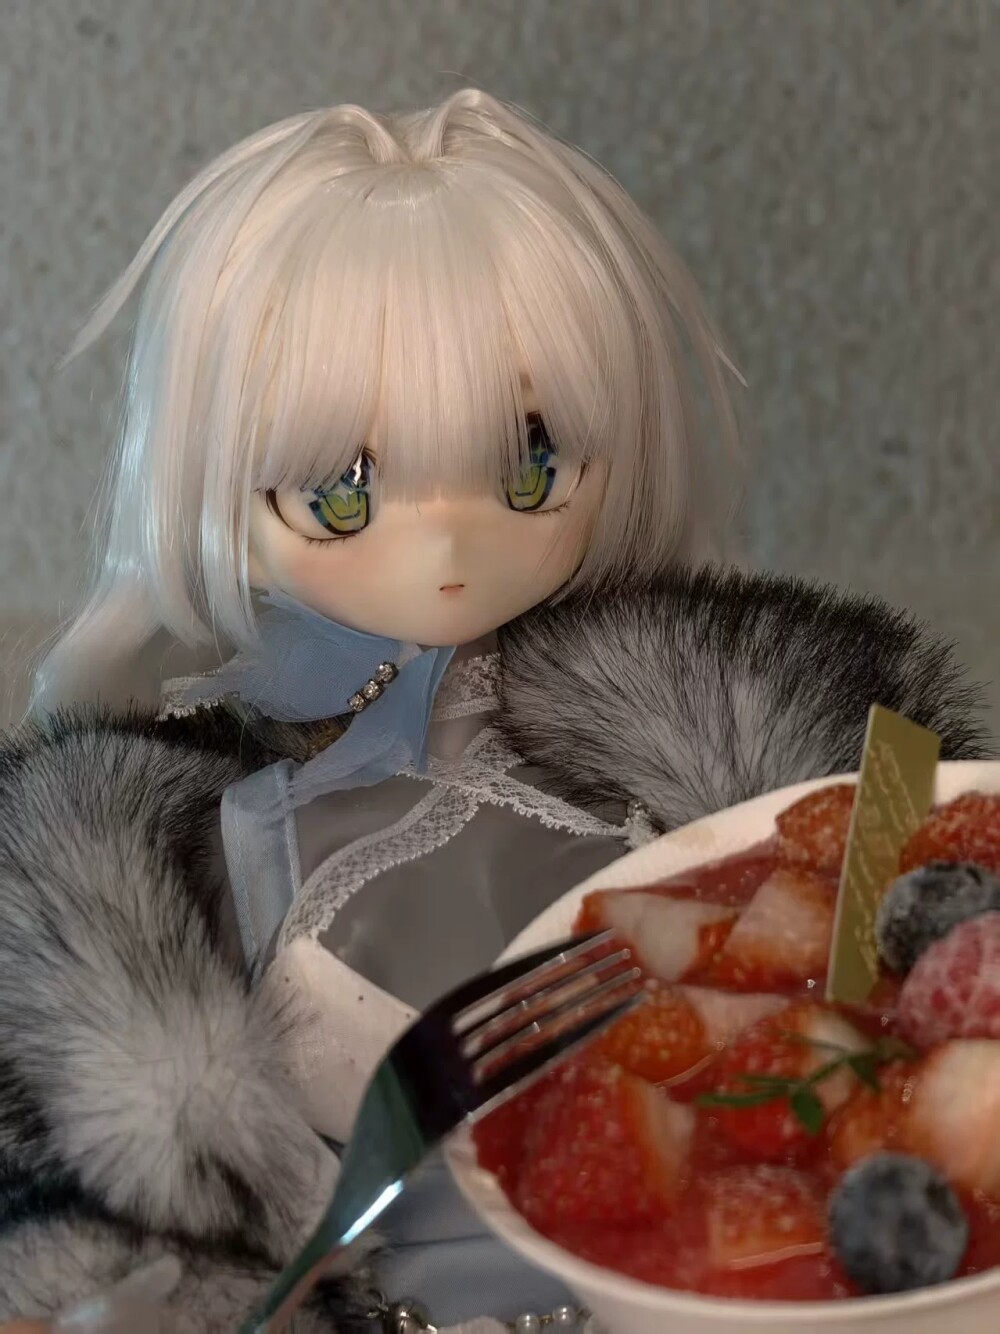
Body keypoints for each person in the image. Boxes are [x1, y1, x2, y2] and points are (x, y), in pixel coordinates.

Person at [0, 89, 988, 1330]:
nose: (449, 546)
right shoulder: (183, 874)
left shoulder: (789, 773)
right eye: (342, 490)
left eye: (530, 465)